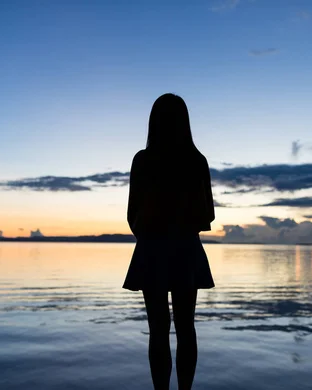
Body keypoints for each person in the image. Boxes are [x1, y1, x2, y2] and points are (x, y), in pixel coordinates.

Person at [122, 93, 216, 390]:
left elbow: (131, 215)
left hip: (152, 251)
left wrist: (152, 233)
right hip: (186, 251)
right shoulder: (197, 161)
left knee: (157, 331)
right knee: (186, 329)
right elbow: (208, 217)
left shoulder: (143, 160)